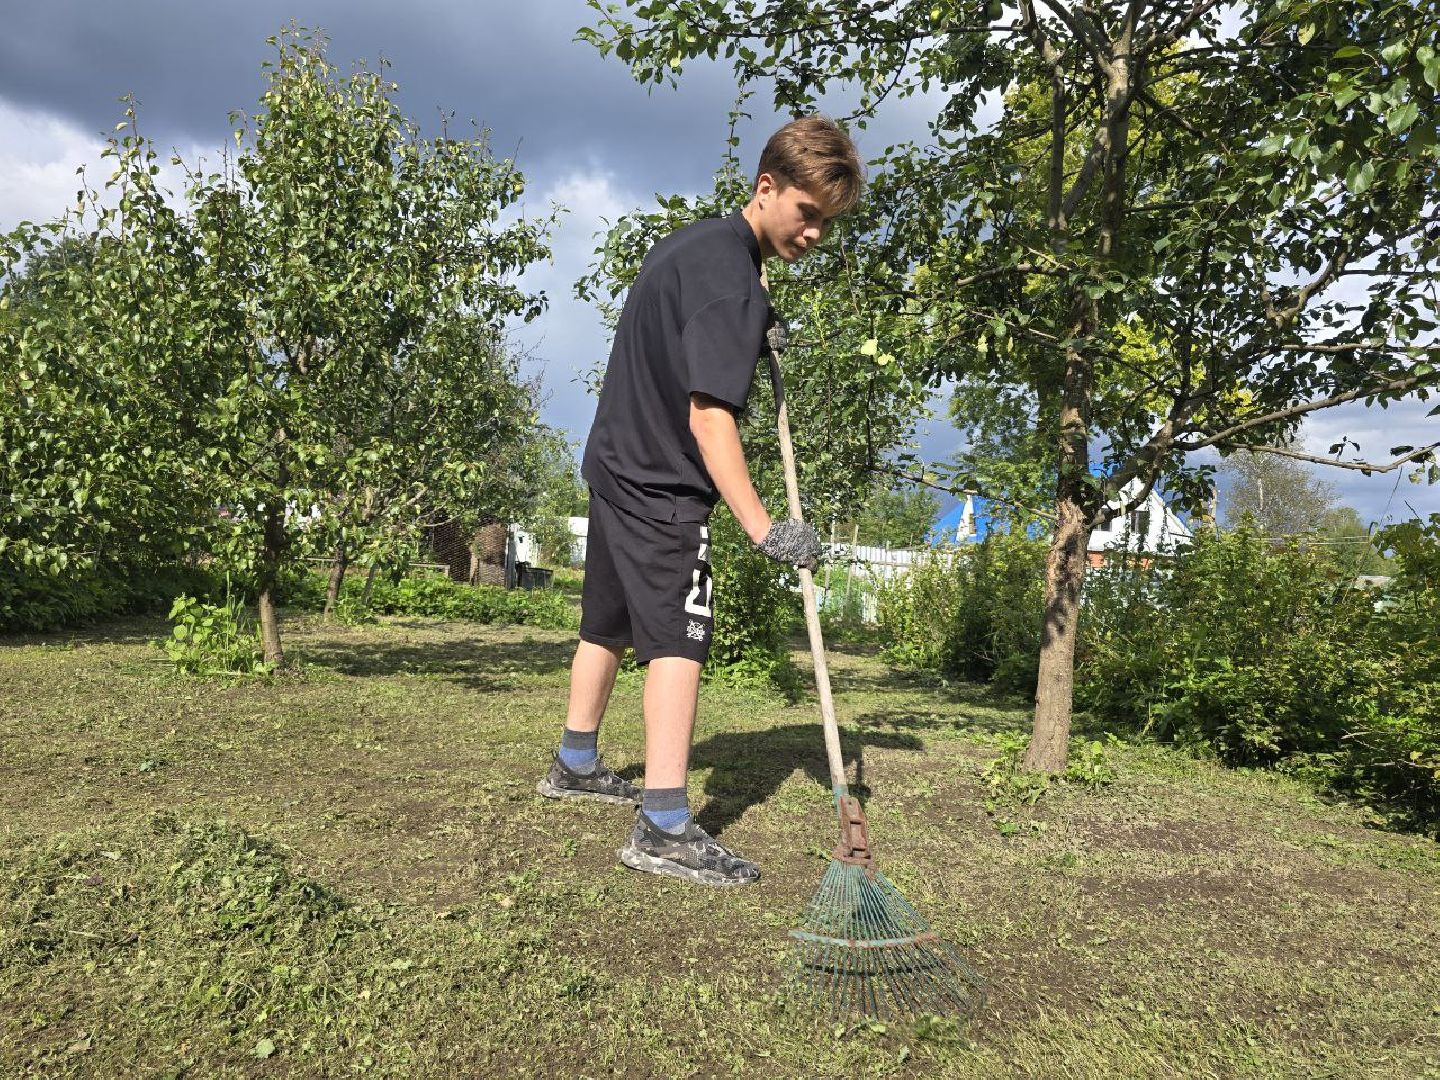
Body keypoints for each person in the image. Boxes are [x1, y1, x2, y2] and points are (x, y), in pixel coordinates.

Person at [536, 116, 864, 886]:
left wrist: (757, 321)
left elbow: (685, 339)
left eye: (827, 221)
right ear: (767, 187)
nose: (815, 232)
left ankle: (576, 761)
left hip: (615, 459)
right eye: (806, 212)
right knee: (681, 639)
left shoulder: (700, 249)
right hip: (662, 483)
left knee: (608, 622)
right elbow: (709, 417)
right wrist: (764, 527)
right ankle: (665, 824)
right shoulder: (732, 285)